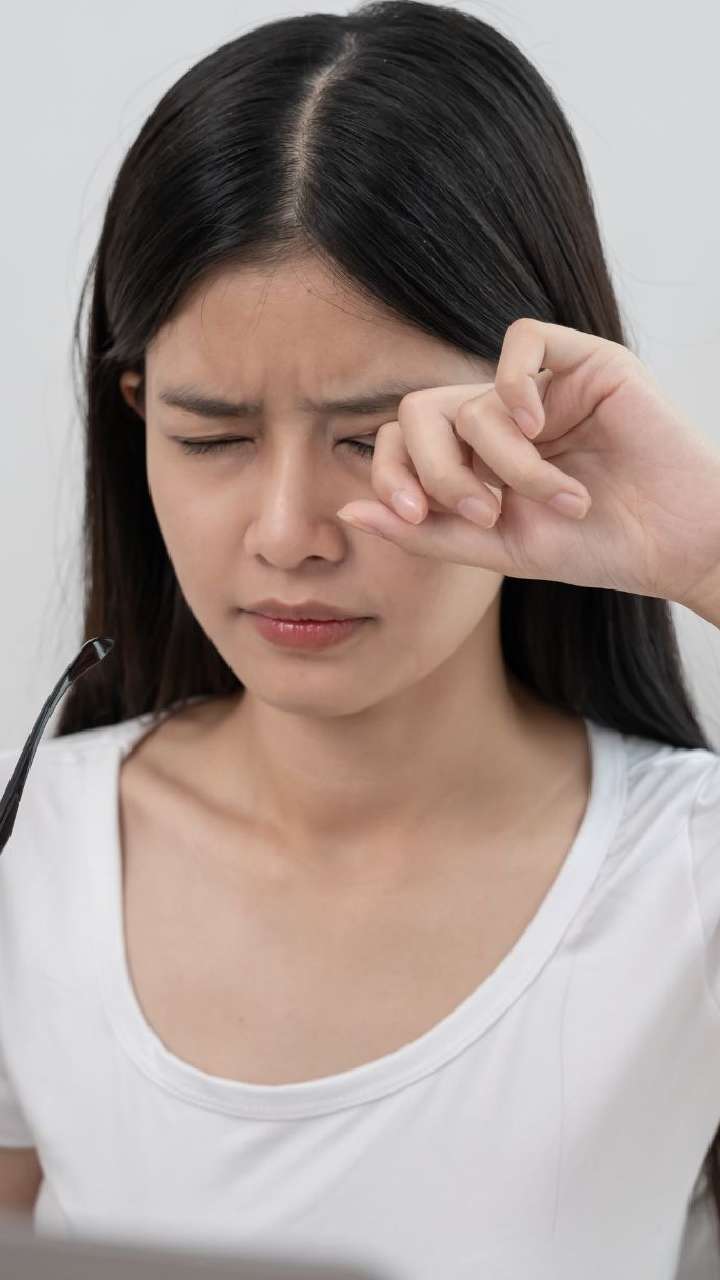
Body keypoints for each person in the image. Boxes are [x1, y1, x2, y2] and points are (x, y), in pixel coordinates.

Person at [1, 2, 719, 1276]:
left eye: (375, 437)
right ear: (137, 417)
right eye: (211, 436)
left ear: (537, 416)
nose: (288, 533)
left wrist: (702, 548)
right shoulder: (29, 862)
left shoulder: (684, 880)